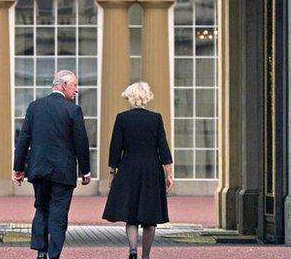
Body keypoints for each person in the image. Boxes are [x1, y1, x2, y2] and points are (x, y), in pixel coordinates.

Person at [13, 69, 92, 259]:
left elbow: (24, 138)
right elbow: (80, 142)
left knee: (41, 208)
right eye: (74, 86)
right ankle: (54, 255)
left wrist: (18, 168)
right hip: (63, 172)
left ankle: (41, 252)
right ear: (63, 85)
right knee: (59, 214)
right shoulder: (73, 110)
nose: (77, 90)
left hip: (39, 168)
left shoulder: (34, 107)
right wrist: (86, 171)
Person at [102, 81, 174, 259]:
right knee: (150, 216)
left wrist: (112, 172)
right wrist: (169, 173)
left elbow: (115, 147)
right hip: (151, 169)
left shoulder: (122, 118)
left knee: (131, 214)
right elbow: (162, 146)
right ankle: (146, 256)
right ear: (146, 96)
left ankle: (133, 250)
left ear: (130, 97)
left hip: (128, 168)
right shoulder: (155, 118)